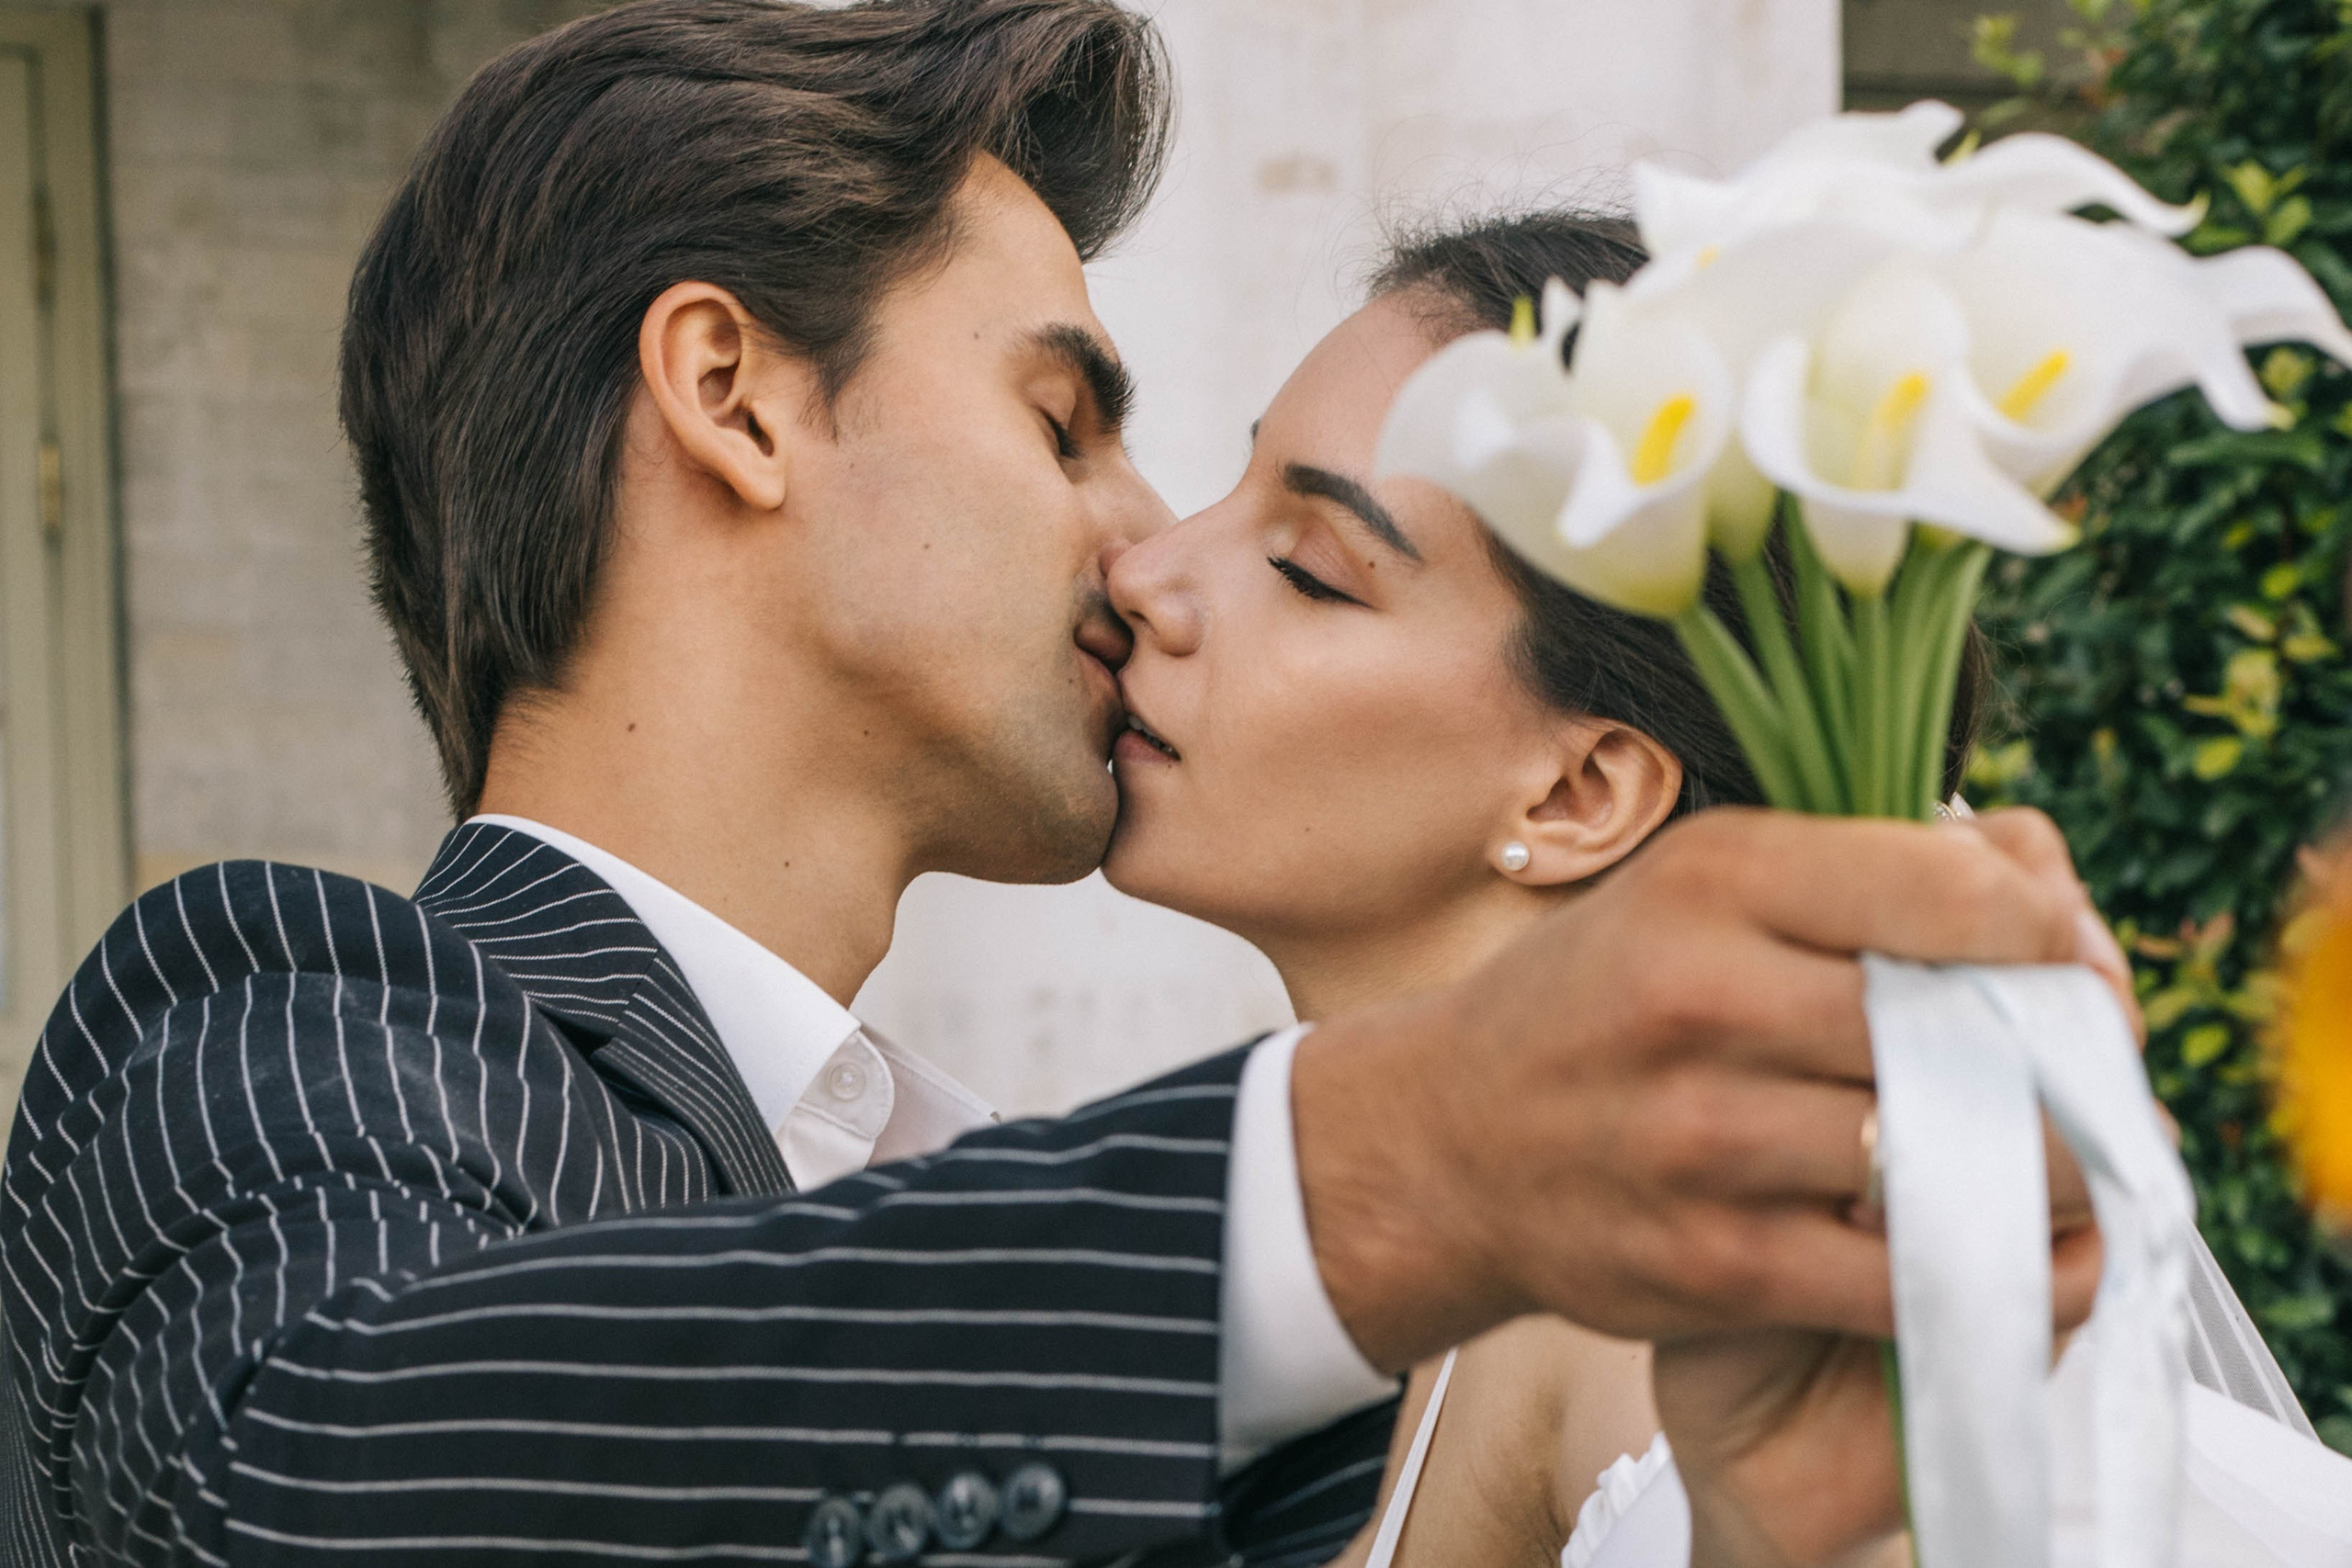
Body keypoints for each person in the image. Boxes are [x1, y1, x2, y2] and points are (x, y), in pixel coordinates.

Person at [0, 4, 2120, 1565]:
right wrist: (1409, 1154)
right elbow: (305, 1476)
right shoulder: (261, 1019)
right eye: (1064, 421)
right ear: (731, 394)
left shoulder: (1264, 1394)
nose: (1138, 544)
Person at [1100, 209, 2350, 1567]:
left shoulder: (1659, 1317)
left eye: (1308, 572)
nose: (1145, 572)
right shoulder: (1409, 1294)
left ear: (1580, 794)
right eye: (1229, 491)